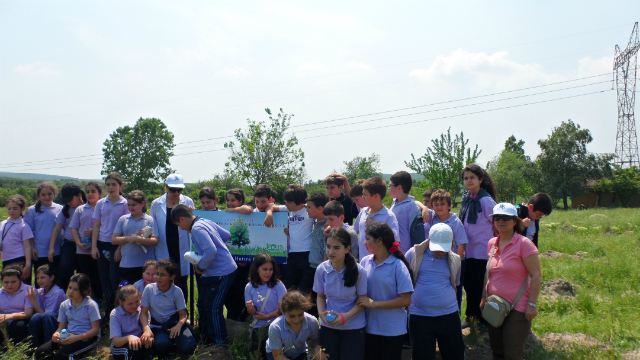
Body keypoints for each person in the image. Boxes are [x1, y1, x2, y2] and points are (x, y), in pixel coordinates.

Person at [172, 204, 238, 345]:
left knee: (213, 307)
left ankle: (219, 344)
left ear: (182, 219)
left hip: (221, 272)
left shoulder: (197, 228)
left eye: (179, 224)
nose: (181, 228)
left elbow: (211, 250)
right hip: (216, 271)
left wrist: (201, 267)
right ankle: (204, 338)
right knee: (202, 304)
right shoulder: (205, 221)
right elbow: (227, 235)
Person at [483, 203, 541, 360]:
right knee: (497, 352)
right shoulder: (491, 244)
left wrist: (532, 304)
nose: (501, 221)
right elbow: (488, 273)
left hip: (518, 309)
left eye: (506, 218)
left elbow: (536, 275)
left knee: (513, 354)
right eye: (497, 218)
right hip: (494, 305)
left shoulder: (524, 244)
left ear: (515, 221)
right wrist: (483, 298)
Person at [406, 224, 464, 360]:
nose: (440, 252)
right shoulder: (414, 254)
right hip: (420, 316)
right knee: (422, 355)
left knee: (455, 354)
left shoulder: (455, 259)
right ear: (429, 239)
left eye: (444, 248)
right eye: (437, 247)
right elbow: (406, 280)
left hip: (448, 315)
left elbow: (455, 283)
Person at [357, 222, 414, 360]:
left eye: (367, 239)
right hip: (369, 327)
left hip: (392, 330)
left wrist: (374, 303)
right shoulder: (365, 261)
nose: (364, 243)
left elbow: (406, 300)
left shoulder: (397, 266)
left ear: (379, 241)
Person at [314, 227, 367, 360]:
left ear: (347, 249)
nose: (331, 251)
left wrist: (345, 317)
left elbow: (362, 301)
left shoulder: (359, 271)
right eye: (328, 246)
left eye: (336, 247)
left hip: (353, 328)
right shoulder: (321, 269)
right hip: (329, 327)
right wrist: (321, 314)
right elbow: (320, 296)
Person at [459, 163, 497, 330]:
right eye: (466, 178)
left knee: (481, 287)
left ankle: (483, 320)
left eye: (472, 178)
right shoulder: (467, 198)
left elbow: (497, 223)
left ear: (480, 179)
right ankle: (471, 316)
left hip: (482, 251)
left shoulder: (486, 200)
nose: (469, 181)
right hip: (468, 251)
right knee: (469, 286)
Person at [150, 174, 195, 304]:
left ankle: (182, 314)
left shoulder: (188, 202)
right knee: (164, 282)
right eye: (172, 189)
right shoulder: (156, 204)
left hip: (182, 248)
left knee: (181, 284)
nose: (176, 193)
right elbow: (154, 226)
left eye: (179, 190)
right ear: (166, 187)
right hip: (164, 246)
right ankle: (165, 312)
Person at [35, 273, 101, 360]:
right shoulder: (64, 305)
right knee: (41, 352)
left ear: (84, 291)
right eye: (70, 288)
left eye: (75, 289)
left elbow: (95, 330)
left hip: (86, 338)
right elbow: (61, 327)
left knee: (63, 355)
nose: (70, 292)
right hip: (69, 335)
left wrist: (76, 338)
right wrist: (57, 334)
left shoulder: (91, 305)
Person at [422, 189, 468, 311]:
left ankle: (455, 317)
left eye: (442, 204)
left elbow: (461, 245)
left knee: (455, 289)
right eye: (435, 204)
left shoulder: (455, 222)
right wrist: (424, 208)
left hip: (453, 261)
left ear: (449, 206)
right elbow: (416, 201)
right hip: (436, 260)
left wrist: (455, 264)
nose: (439, 207)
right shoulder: (432, 217)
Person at [139, 259, 196, 356]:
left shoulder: (177, 291)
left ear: (172, 277)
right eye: (157, 274)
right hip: (158, 326)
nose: (158, 278)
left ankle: (176, 342)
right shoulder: (149, 289)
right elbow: (144, 312)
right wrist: (146, 329)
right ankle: (170, 345)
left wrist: (178, 326)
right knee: (162, 345)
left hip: (174, 323)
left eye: (163, 275)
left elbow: (183, 314)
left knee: (189, 346)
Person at [92, 172, 130, 316]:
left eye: (114, 184)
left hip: (117, 245)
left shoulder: (125, 203)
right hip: (102, 244)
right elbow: (96, 225)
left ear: (120, 186)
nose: (111, 187)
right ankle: (106, 313)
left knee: (115, 280)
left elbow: (126, 228)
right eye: (108, 184)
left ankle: (117, 312)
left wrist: (120, 248)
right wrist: (94, 246)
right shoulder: (101, 203)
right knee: (104, 279)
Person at [267, 184, 314, 290]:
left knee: (306, 287)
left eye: (289, 202)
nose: (286, 204)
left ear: (299, 202)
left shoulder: (309, 211)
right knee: (289, 285)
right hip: (291, 254)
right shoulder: (289, 209)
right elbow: (271, 206)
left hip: (307, 254)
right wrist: (269, 214)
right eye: (286, 202)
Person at [245, 253, 288, 360]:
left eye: (270, 269)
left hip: (277, 326)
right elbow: (252, 312)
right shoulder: (249, 287)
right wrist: (250, 308)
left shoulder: (278, 285)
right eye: (265, 269)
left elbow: (284, 308)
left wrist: (266, 316)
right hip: (258, 328)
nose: (268, 273)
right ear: (257, 269)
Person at [266, 290, 326, 360]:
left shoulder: (312, 321)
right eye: (292, 316)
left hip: (299, 352)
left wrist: (317, 347)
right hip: (277, 354)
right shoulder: (275, 327)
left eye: (300, 315)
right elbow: (277, 356)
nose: (296, 320)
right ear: (283, 311)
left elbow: (316, 339)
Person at [112, 190, 157, 285]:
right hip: (127, 264)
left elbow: (155, 240)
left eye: (134, 205)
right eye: (129, 205)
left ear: (143, 204)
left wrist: (139, 239)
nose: (131, 207)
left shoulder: (150, 220)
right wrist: (129, 238)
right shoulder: (123, 219)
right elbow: (114, 239)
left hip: (146, 266)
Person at [70, 182, 103, 303]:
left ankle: (100, 302)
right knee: (84, 278)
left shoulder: (103, 207)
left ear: (100, 193)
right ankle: (84, 302)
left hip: (99, 248)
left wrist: (95, 231)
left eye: (93, 191)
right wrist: (78, 243)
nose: (90, 194)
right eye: (87, 192)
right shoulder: (80, 209)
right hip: (83, 250)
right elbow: (73, 228)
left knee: (98, 278)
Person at [50, 183, 86, 292]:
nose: (68, 202)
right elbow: (57, 229)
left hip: (85, 244)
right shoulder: (66, 210)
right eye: (66, 199)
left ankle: (83, 294)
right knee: (65, 268)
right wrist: (51, 247)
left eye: (70, 198)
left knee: (83, 271)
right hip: (69, 243)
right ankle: (61, 294)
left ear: (79, 195)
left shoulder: (88, 206)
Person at [353, 177, 400, 261]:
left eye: (365, 194)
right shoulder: (363, 211)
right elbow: (354, 230)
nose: (363, 197)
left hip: (381, 265)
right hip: (363, 264)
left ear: (376, 196)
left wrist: (375, 229)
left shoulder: (389, 216)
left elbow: (394, 243)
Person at [223, 188, 251, 322]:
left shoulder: (245, 211)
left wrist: (233, 210)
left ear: (240, 201)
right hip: (230, 263)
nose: (229, 203)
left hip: (245, 264)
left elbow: (248, 210)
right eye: (227, 200)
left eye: (233, 200)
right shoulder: (224, 215)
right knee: (230, 293)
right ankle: (231, 319)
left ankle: (242, 319)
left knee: (242, 291)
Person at [25, 182, 63, 279]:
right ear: (38, 196)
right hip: (39, 251)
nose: (47, 197)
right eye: (43, 195)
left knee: (55, 279)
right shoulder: (32, 210)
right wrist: (32, 247)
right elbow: (27, 231)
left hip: (57, 250)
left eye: (49, 194)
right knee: (41, 280)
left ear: (54, 194)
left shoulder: (60, 208)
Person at [27, 264, 67, 348]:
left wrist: (33, 301)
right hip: (45, 319)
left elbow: (46, 314)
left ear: (51, 277)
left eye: (42, 277)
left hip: (59, 324)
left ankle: (51, 346)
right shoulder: (40, 291)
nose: (39, 280)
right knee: (35, 317)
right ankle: (33, 348)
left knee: (46, 316)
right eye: (37, 278)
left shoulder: (58, 292)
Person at [110, 284, 152, 360]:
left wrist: (147, 336)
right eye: (130, 304)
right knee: (132, 349)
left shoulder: (143, 311)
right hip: (121, 345)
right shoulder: (115, 314)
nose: (135, 306)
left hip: (139, 342)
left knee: (148, 346)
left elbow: (147, 330)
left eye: (137, 301)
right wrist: (129, 338)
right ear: (121, 302)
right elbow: (116, 341)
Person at [389, 171, 424, 253]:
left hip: (405, 255)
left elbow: (417, 235)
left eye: (390, 185)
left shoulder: (412, 207)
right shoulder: (394, 202)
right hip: (393, 253)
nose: (389, 188)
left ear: (399, 188)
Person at [1, 195, 33, 280]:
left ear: (22, 209)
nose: (11, 211)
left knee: (21, 286)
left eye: (15, 208)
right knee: (9, 287)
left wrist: (28, 265)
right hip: (6, 259)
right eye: (9, 208)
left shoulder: (23, 226)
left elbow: (27, 246)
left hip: (19, 260)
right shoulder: (3, 223)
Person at [0, 265, 34, 345]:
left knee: (19, 325)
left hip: (20, 319)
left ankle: (18, 348)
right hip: (3, 319)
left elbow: (28, 313)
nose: (9, 285)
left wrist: (9, 316)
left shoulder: (28, 290)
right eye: (6, 282)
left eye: (13, 282)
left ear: (20, 280)